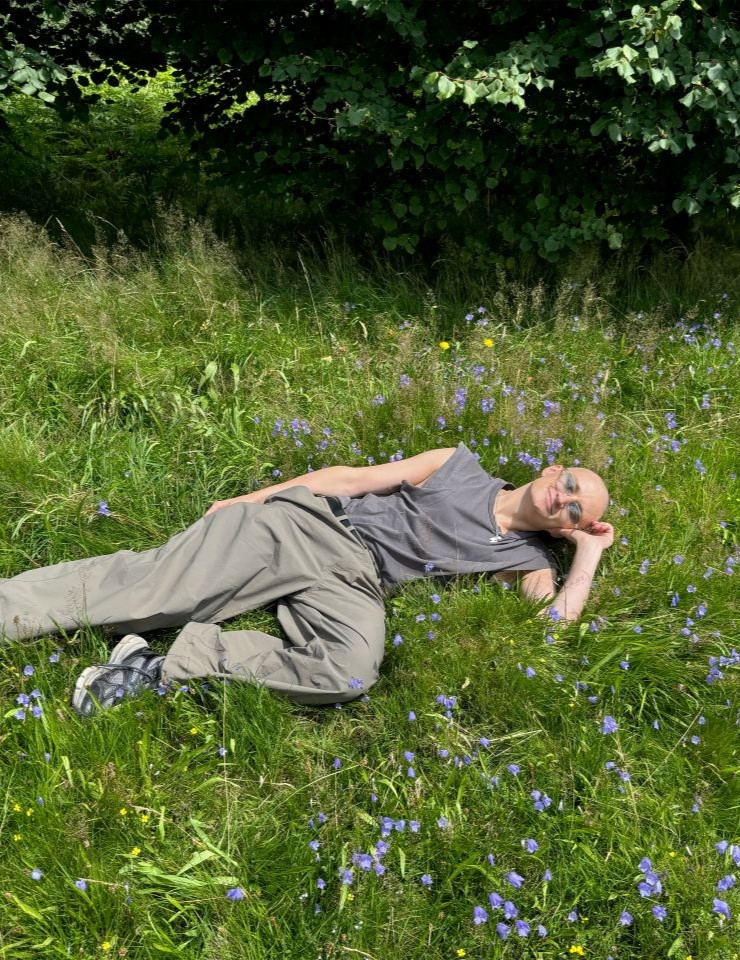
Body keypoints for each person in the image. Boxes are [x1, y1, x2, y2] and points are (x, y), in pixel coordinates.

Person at [0, 442, 613, 716]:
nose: (566, 502)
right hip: (312, 527)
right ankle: (11, 610)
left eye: (578, 512)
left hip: (358, 583)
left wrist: (584, 562)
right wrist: (251, 500)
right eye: (572, 486)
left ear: (568, 528)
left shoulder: (525, 561)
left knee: (349, 670)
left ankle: (154, 669)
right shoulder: (457, 466)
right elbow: (348, 479)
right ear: (552, 469)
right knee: (157, 593)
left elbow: (549, 628)